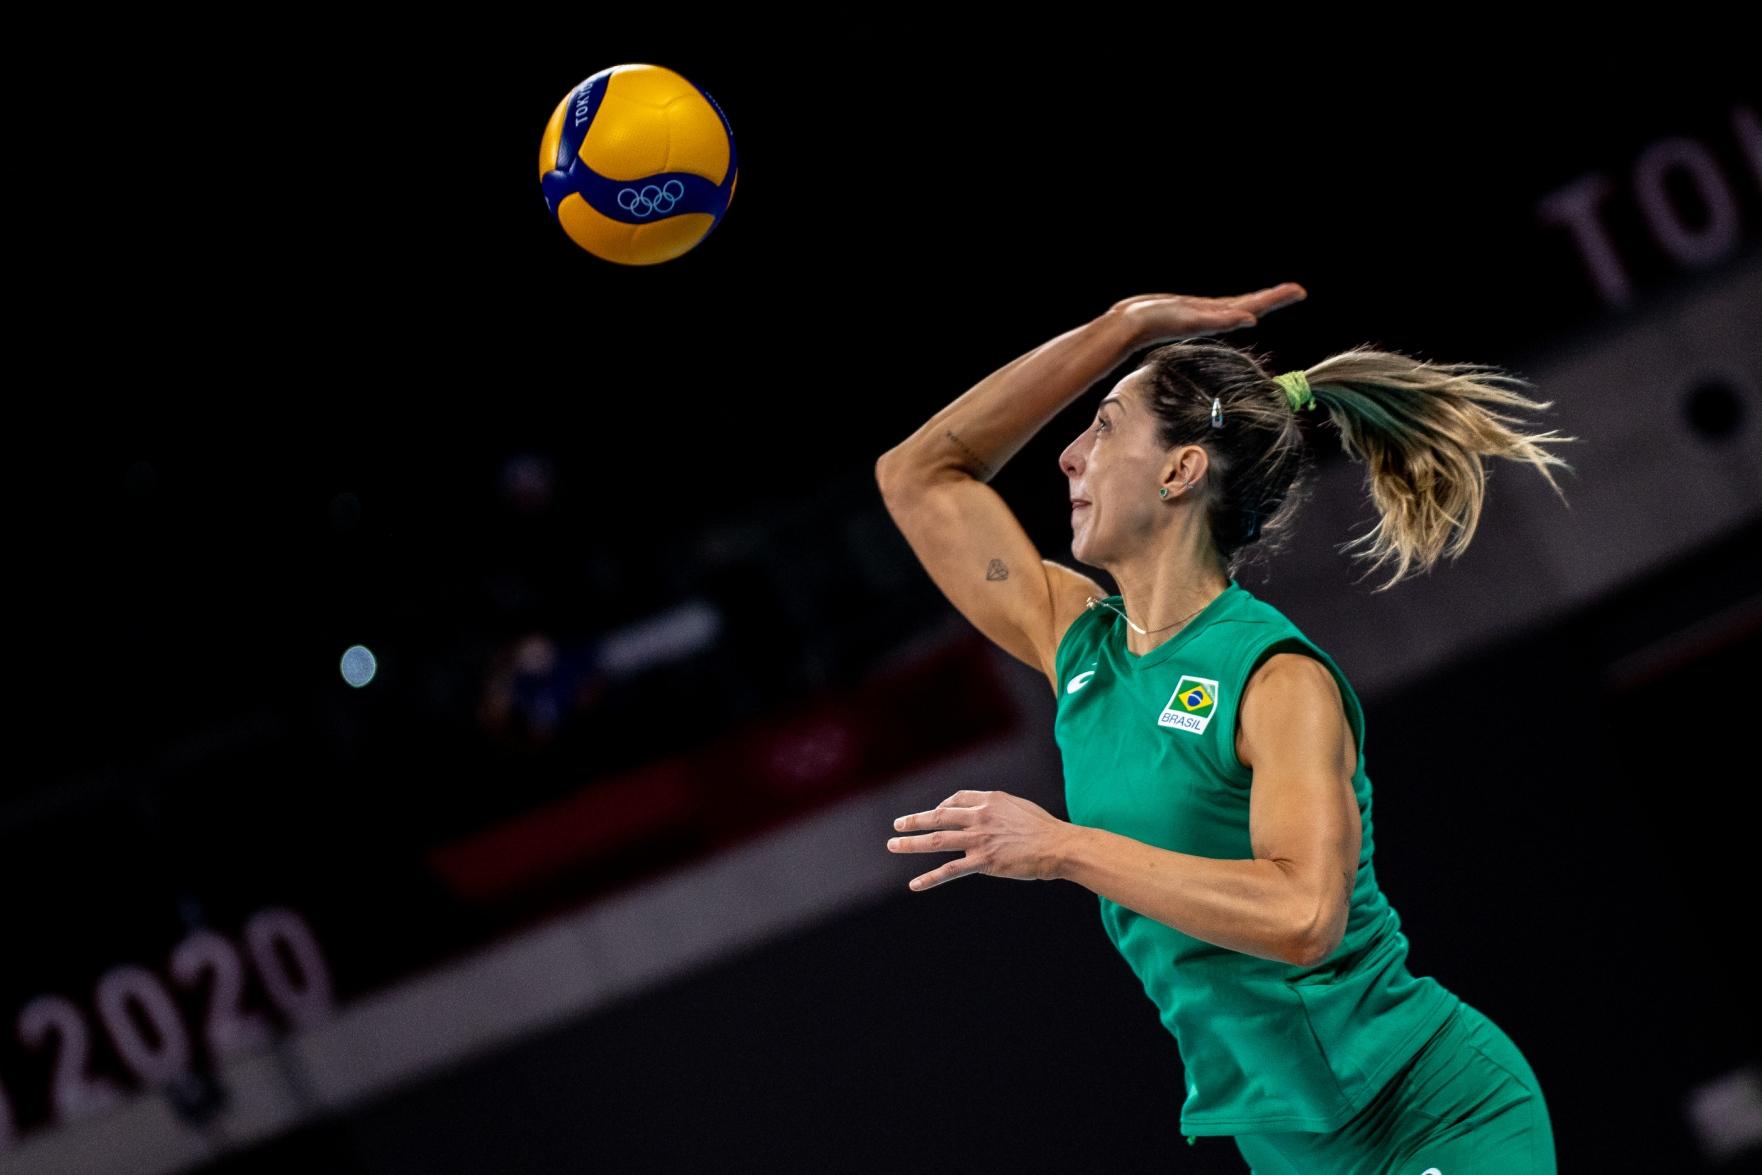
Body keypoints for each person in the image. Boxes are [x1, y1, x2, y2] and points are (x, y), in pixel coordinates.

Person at [875, 285, 1575, 1172]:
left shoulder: (1275, 677)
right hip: (1286, 1146)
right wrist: (1119, 329)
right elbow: (919, 476)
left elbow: (1306, 913)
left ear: (1179, 471)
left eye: (1104, 428)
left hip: (1425, 1111)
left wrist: (1062, 847)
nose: (1067, 456)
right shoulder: (1080, 644)